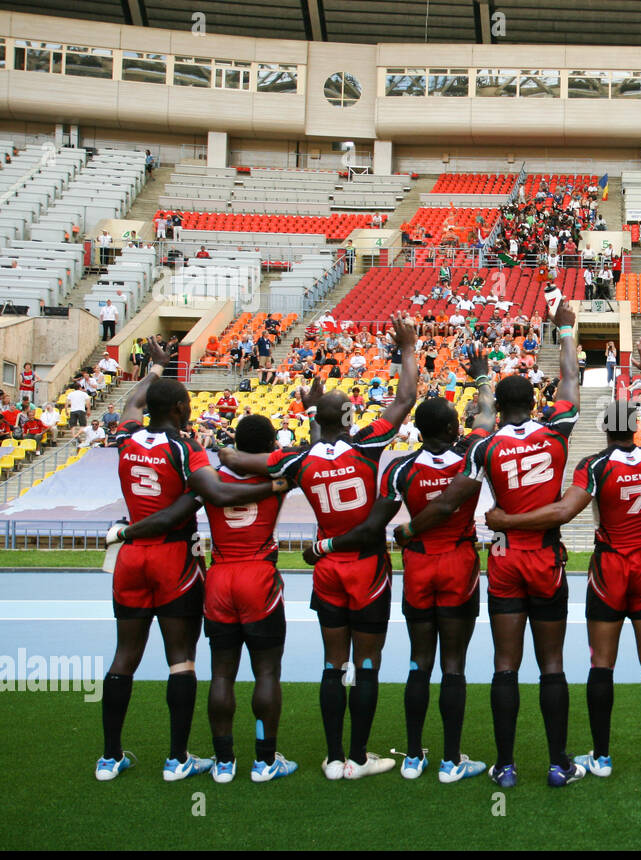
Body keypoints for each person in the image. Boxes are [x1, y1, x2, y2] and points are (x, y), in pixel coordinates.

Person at [219, 314, 420, 781]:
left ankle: (332, 759)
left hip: (326, 566)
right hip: (367, 566)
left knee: (334, 666)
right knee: (367, 666)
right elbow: (406, 398)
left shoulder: (297, 459)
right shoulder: (367, 445)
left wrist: (304, 417)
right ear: (351, 417)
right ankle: (360, 756)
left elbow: (236, 457)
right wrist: (408, 348)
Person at [393, 301, 585, 788]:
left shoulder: (484, 445)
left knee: (505, 665)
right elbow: (569, 377)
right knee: (553, 665)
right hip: (545, 555)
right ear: (536, 402)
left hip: (503, 558)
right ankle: (559, 762)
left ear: (500, 408)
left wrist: (414, 528)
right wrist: (565, 328)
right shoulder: (557, 426)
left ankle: (505, 765)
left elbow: (456, 492)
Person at [485, 339, 641, 780]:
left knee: (602, 664)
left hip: (610, 566)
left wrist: (504, 520)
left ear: (605, 428)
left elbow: (563, 511)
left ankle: (602, 755)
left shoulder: (593, 465)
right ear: (635, 428)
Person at [95, 339, 288, 782]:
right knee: (180, 659)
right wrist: (273, 489)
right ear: (182, 409)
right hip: (173, 557)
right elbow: (216, 492)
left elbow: (131, 401)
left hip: (129, 557)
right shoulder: (184, 449)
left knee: (124, 655)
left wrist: (156, 368)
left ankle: (109, 756)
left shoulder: (125, 437)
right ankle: (177, 757)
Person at [319, 353, 496, 782]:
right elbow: (488, 414)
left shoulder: (399, 468)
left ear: (418, 430)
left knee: (419, 661)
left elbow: (375, 524)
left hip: (417, 566)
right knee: (453, 664)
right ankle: (451, 761)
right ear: (455, 428)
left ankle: (414, 756)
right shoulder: (472, 452)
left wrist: (331, 543)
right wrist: (482, 377)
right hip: (458, 563)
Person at [199, 414, 299, 783]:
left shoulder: (210, 479)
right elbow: (311, 452)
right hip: (258, 576)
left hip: (220, 575)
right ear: (271, 445)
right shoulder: (279, 479)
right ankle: (264, 760)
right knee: (267, 671)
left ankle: (224, 762)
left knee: (221, 673)